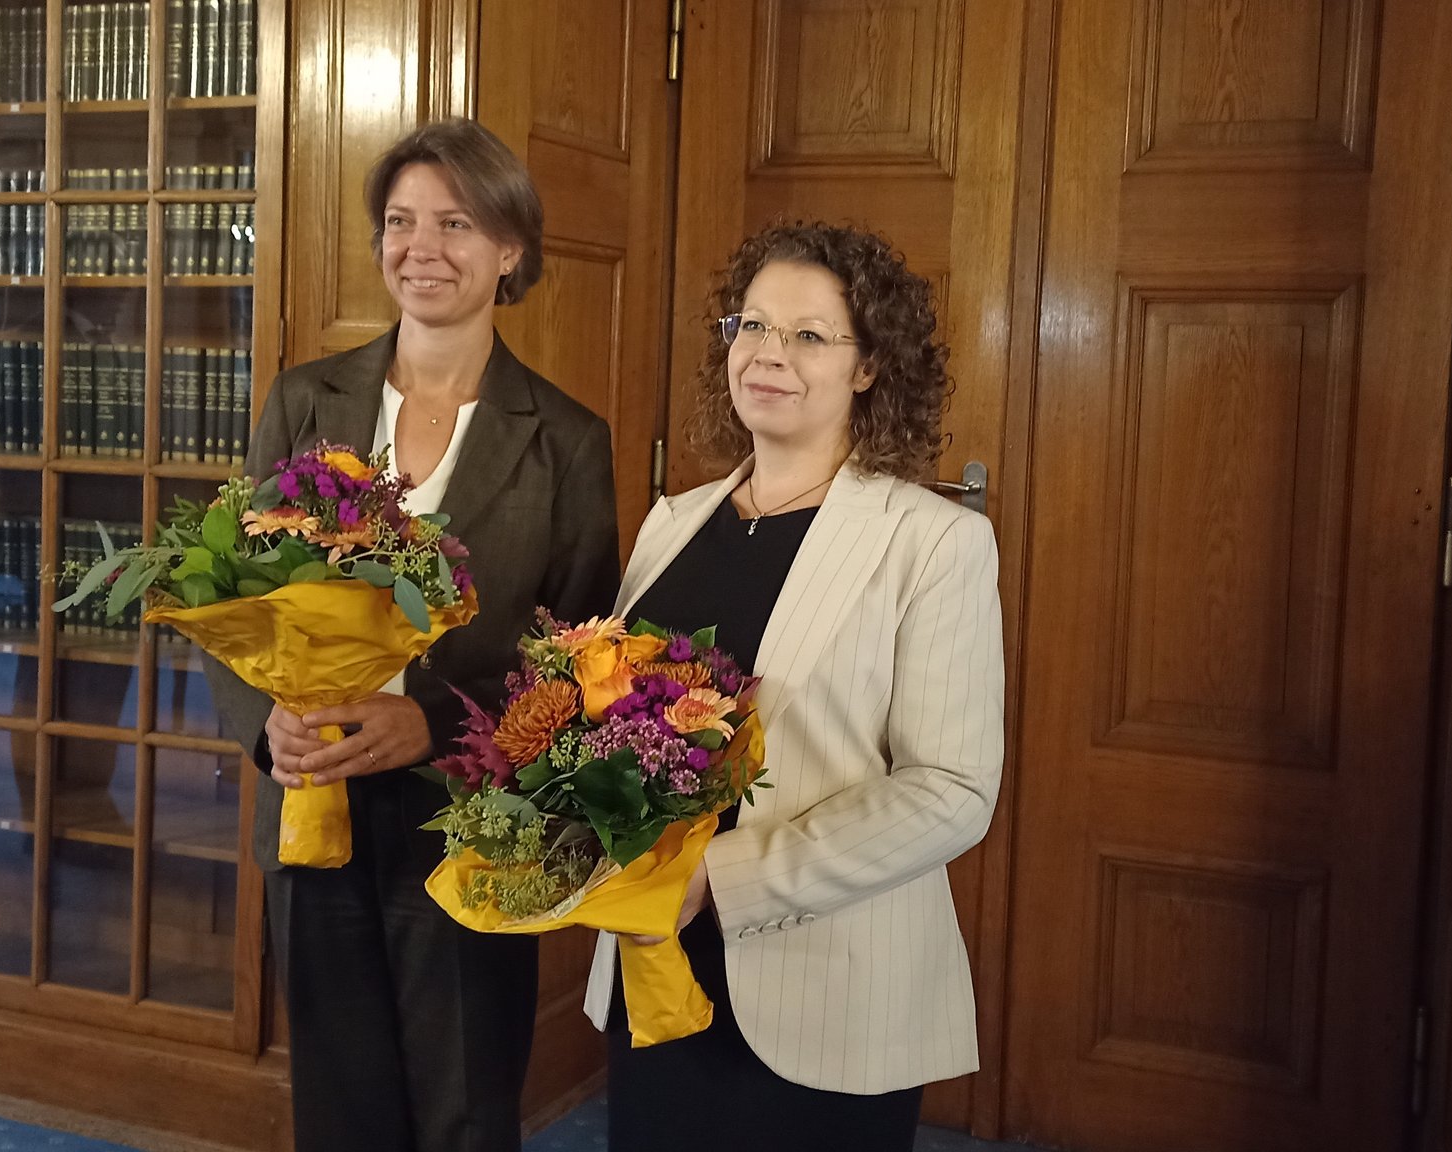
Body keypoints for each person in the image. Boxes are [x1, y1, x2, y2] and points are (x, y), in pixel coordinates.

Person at [205, 118, 619, 1152]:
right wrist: (268, 729)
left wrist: (427, 721)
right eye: (399, 222)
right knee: (338, 1101)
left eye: (454, 223)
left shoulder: (566, 439)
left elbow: (572, 663)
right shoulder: (305, 398)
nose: (420, 248)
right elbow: (226, 597)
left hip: (471, 820)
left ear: (509, 248)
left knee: (464, 1107)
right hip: (316, 798)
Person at [585, 221, 1005, 1151]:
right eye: (751, 326)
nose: (768, 355)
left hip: (827, 988)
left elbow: (954, 792)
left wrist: (721, 877)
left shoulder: (932, 543)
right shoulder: (673, 522)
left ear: (867, 368)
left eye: (809, 335)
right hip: (655, 969)